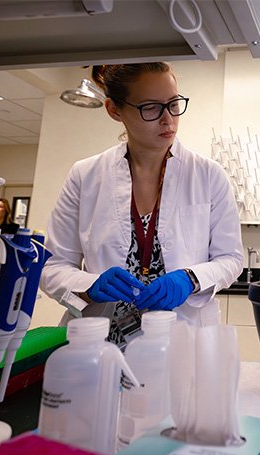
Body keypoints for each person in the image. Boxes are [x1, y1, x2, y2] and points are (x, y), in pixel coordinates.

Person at [40, 63, 244, 347]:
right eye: (150, 107)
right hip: (99, 341)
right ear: (114, 110)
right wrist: (89, 286)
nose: (168, 120)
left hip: (180, 340)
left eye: (174, 104)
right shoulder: (85, 176)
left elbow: (231, 259)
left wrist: (190, 278)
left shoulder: (208, 175)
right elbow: (53, 267)